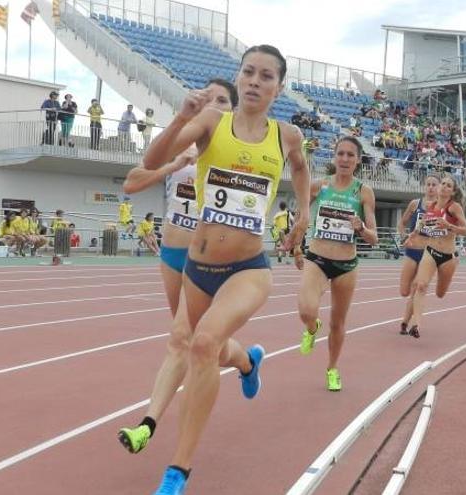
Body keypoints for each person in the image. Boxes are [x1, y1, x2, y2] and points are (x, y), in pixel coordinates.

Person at [138, 44, 310, 495]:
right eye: (248, 72)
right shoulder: (212, 122)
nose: (255, 81)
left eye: (266, 75)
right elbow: (152, 163)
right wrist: (180, 117)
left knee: (204, 345)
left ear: (280, 86)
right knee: (203, 345)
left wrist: (305, 212)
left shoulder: (287, 135)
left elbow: (301, 169)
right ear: (238, 77)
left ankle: (178, 470)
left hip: (249, 267)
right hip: (198, 266)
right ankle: (248, 363)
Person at [116, 78, 238, 462]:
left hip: (209, 259)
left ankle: (147, 424)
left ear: (233, 111)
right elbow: (132, 183)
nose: (214, 107)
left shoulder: (232, 152)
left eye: (223, 102)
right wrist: (173, 165)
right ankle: (247, 359)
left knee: (183, 339)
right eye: (209, 100)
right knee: (198, 343)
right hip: (172, 254)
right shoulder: (181, 146)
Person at [295, 137, 378, 391]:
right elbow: (301, 217)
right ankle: (312, 327)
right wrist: (297, 246)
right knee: (307, 310)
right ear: (334, 157)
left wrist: (361, 227)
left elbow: (374, 238)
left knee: (337, 322)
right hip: (317, 258)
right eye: (340, 154)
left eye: (350, 155)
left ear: (358, 160)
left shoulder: (363, 191)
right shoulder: (319, 187)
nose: (344, 159)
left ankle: (332, 368)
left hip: (346, 265)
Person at [402, 175, 466, 338]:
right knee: (420, 285)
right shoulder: (431, 206)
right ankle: (416, 325)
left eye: (449, 186)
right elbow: (421, 225)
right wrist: (411, 236)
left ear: (452, 192)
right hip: (431, 251)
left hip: (448, 257)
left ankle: (415, 322)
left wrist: (449, 226)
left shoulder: (454, 207)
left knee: (440, 293)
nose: (444, 187)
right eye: (444, 184)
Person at [396, 175, 439, 335]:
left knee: (418, 288)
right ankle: (406, 322)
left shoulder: (442, 208)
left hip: (428, 254)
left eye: (434, 184)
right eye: (428, 184)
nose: (430, 187)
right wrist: (403, 237)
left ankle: (408, 324)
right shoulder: (415, 204)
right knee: (405, 291)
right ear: (424, 186)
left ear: (439, 187)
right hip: (412, 251)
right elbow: (402, 223)